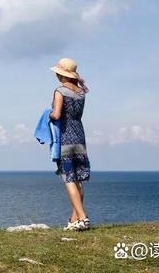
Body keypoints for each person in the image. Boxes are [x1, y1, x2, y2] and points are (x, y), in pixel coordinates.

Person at [49, 58, 91, 231]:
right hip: (80, 137)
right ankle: (74, 220)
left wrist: (49, 115)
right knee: (79, 179)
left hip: (66, 139)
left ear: (62, 74)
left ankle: (83, 217)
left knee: (69, 179)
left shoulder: (60, 91)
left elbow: (57, 115)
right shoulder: (81, 93)